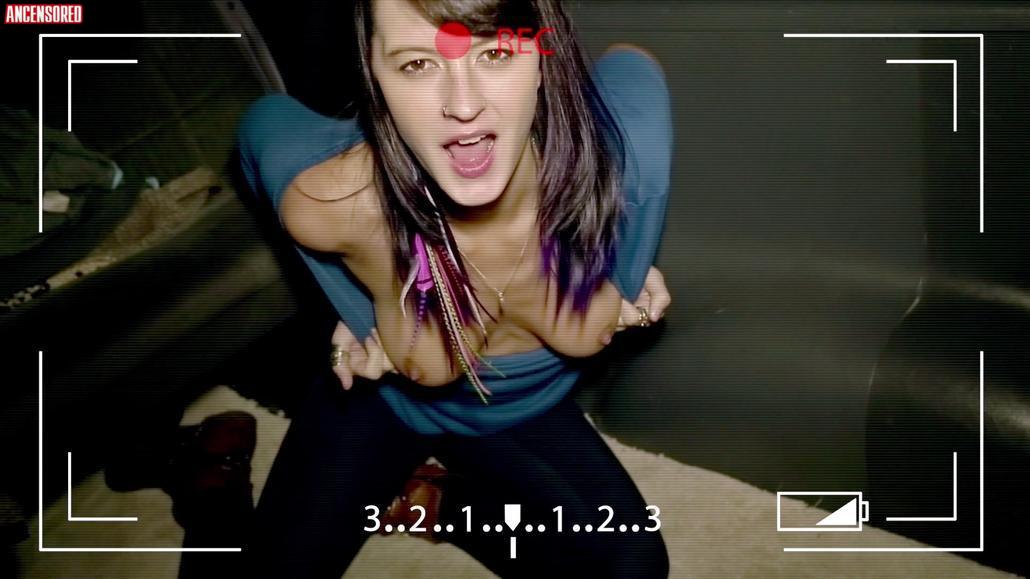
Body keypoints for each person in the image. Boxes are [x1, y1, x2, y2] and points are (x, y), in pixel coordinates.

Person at [232, 0, 673, 576]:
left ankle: (437, 504)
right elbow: (260, 125)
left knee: (637, 566)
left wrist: (623, 271)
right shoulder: (332, 202)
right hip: (384, 404)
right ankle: (212, 487)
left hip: (520, 413)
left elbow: (631, 63)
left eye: (496, 53)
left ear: (547, 55)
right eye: (416, 64)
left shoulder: (627, 161)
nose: (463, 106)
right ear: (374, 74)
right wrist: (354, 308)